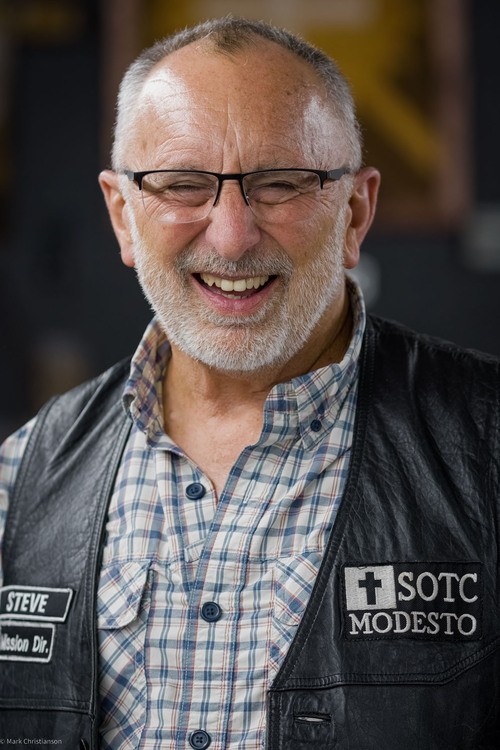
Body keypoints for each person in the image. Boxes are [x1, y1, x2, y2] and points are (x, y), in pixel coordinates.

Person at [0, 16, 498, 750]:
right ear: (124, 217)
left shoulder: (486, 450)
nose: (231, 237)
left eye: (281, 184)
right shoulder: (20, 482)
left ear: (355, 211)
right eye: (182, 184)